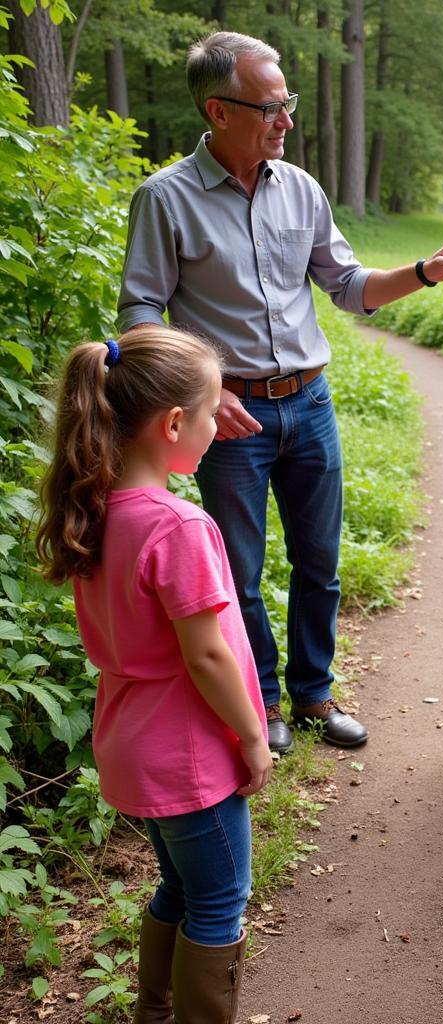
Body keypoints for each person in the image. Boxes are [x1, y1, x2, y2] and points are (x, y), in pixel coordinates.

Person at [117, 31, 443, 755]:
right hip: (228, 418)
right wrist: (201, 387)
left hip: (310, 405)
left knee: (320, 563)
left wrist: (424, 272)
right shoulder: (164, 199)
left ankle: (315, 695)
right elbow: (138, 312)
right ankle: (264, 700)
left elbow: (347, 286)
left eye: (289, 103)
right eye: (272, 106)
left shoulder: (303, 189)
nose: (287, 119)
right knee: (241, 573)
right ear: (220, 112)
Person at [36, 326, 274, 1024]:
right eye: (210, 414)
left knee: (179, 887)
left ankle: (154, 1011)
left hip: (133, 746)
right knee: (220, 899)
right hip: (191, 756)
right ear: (174, 424)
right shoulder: (177, 525)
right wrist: (252, 735)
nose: (213, 428)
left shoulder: (98, 511)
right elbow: (206, 655)